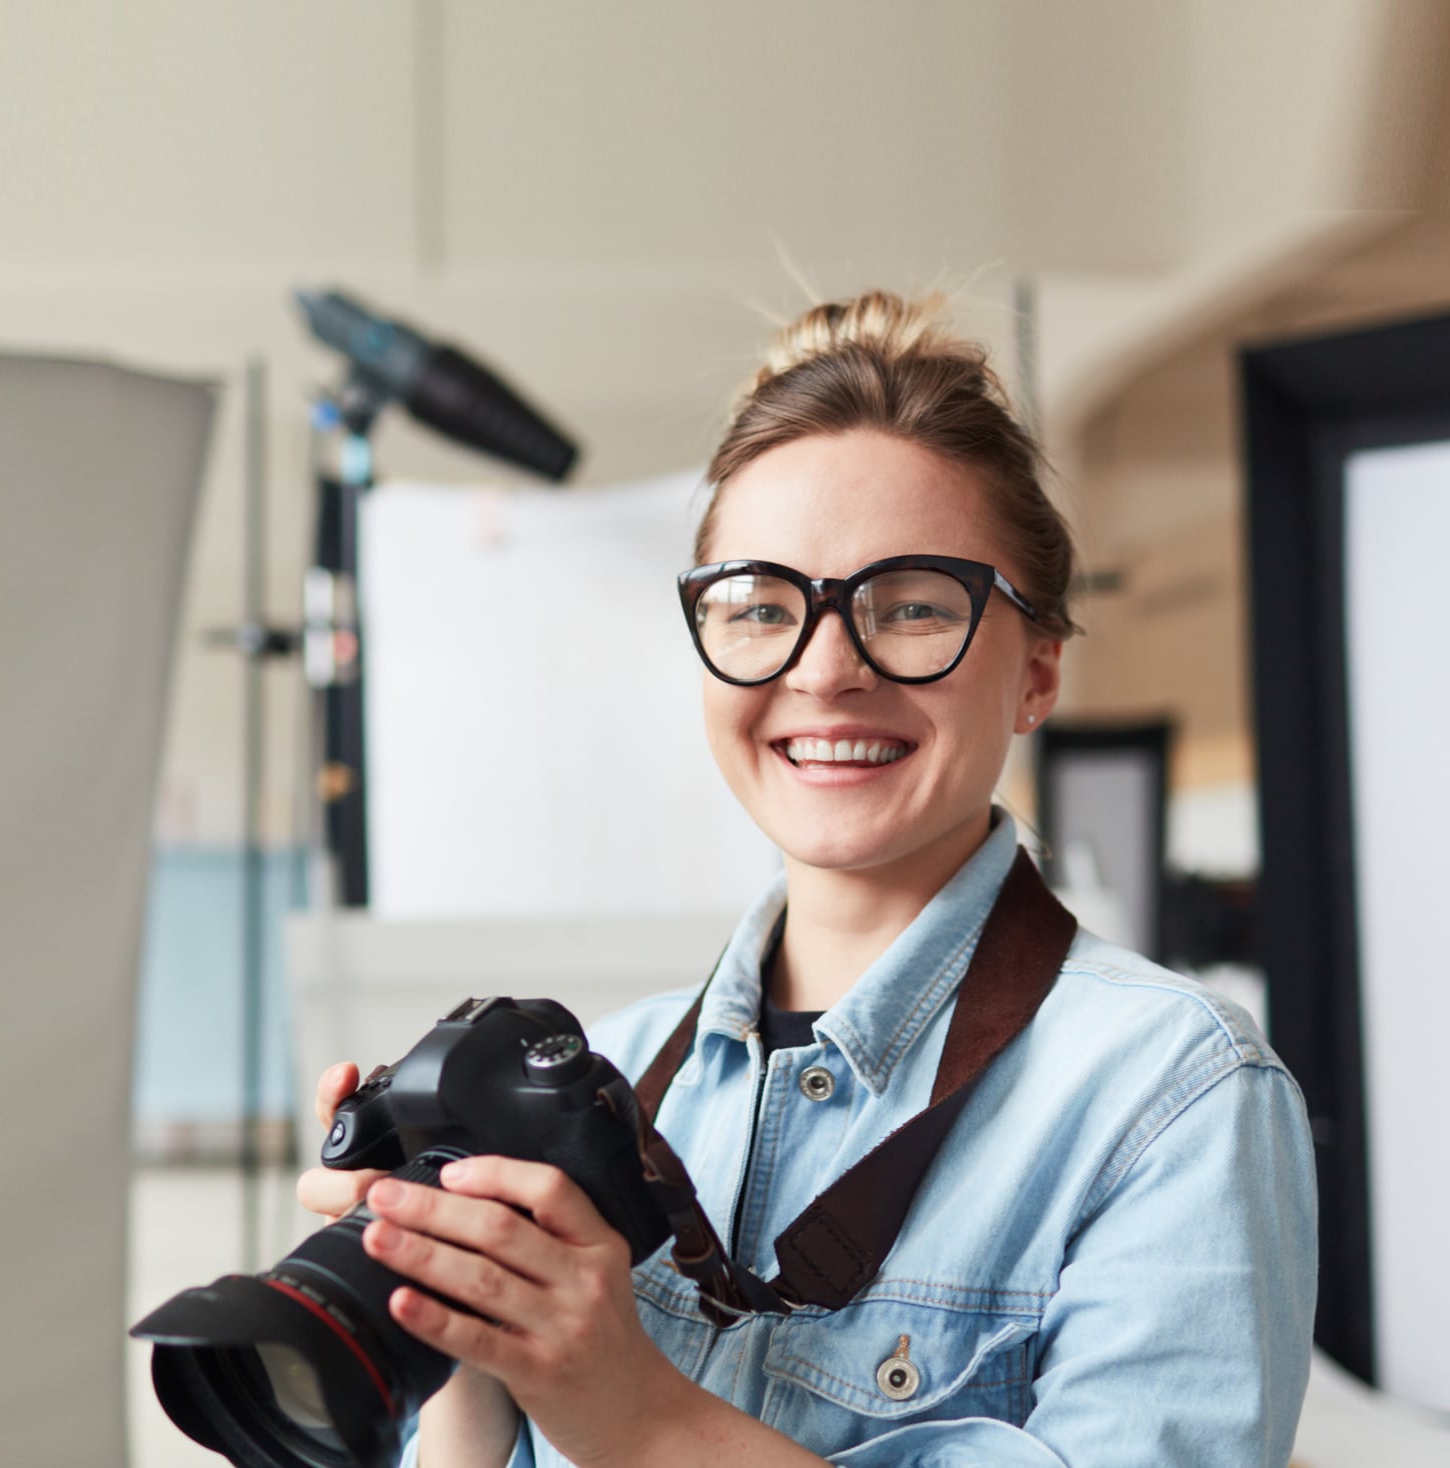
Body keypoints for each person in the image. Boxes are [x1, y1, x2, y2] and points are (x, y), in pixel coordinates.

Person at [297, 291, 1317, 1466]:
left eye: (914, 605)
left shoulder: (1168, 1101)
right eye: (762, 606)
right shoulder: (603, 1081)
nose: (825, 670)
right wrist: (457, 1337)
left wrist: (632, 1411)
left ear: (1036, 671)